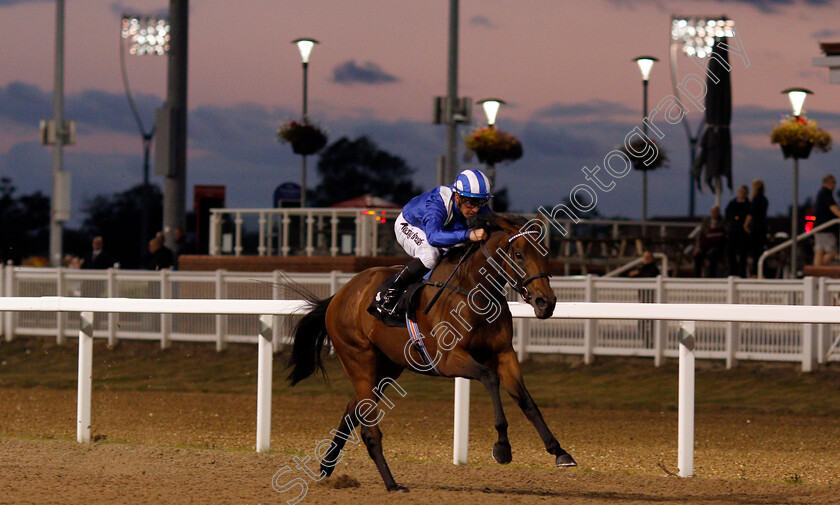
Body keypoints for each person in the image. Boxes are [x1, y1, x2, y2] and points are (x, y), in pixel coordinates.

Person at [374, 169, 492, 315]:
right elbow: (434, 237)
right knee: (431, 255)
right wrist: (469, 234)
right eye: (471, 203)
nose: (475, 209)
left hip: (436, 229)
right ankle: (390, 293)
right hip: (409, 225)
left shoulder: (471, 202)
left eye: (481, 203)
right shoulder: (437, 204)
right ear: (457, 197)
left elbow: (494, 222)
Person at [813, 174, 840, 266]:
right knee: (832, 252)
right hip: (826, 229)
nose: (835, 185)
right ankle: (818, 270)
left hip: (819, 228)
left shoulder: (821, 193)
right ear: (829, 183)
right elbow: (833, 207)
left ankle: (816, 272)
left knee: (820, 251)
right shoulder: (826, 193)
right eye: (834, 183)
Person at [743, 179, 768, 277]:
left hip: (756, 228)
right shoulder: (764, 200)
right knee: (761, 251)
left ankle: (755, 273)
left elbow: (751, 213)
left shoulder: (756, 199)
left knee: (755, 252)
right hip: (763, 228)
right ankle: (763, 273)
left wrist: (745, 225)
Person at [725, 185, 750, 277]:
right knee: (731, 252)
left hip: (743, 233)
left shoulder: (748, 204)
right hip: (733, 232)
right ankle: (733, 271)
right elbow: (728, 215)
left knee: (743, 254)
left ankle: (742, 274)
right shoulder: (732, 204)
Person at [694, 206, 725, 277]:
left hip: (716, 247)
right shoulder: (706, 221)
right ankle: (697, 277)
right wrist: (698, 247)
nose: (714, 213)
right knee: (697, 256)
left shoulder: (722, 222)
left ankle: (711, 277)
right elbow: (700, 235)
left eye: (716, 212)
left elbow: (723, 236)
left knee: (712, 257)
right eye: (713, 212)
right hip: (705, 246)